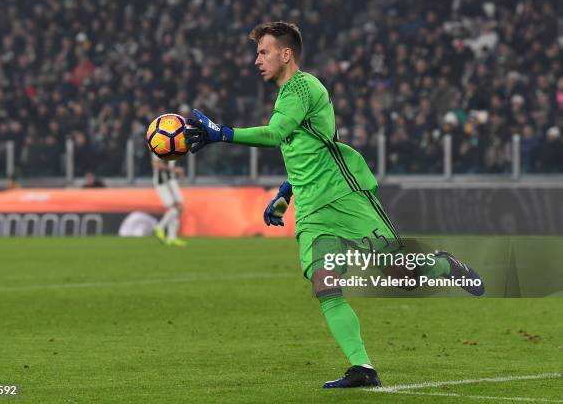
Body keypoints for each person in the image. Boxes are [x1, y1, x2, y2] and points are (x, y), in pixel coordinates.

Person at [185, 21, 484, 388]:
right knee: (324, 283)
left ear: (286, 53)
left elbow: (276, 134)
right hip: (312, 211)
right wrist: (285, 193)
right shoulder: (286, 97)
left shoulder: (303, 86)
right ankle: (363, 368)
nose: (256, 60)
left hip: (346, 197)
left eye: (263, 52)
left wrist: (222, 133)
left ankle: (444, 265)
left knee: (403, 277)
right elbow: (304, 153)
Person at [151, 153, 186, 247]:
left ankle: (172, 238)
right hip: (163, 182)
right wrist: (175, 170)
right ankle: (159, 227)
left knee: (179, 208)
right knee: (176, 207)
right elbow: (156, 164)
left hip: (171, 180)